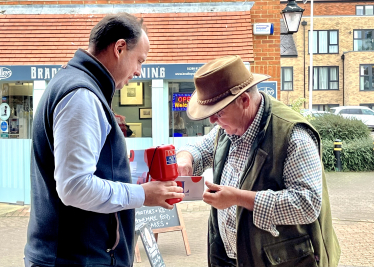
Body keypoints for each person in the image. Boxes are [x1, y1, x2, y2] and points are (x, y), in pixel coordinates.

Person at [25, 13, 184, 267]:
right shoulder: (81, 95)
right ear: (120, 48)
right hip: (77, 259)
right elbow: (75, 187)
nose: (138, 72)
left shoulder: (76, 84)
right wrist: (142, 194)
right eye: (139, 61)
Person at [177, 55, 341, 267]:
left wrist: (238, 198)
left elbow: (307, 204)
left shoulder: (293, 135)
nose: (212, 121)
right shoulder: (228, 127)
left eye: (218, 112)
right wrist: (185, 157)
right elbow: (200, 148)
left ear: (244, 100)